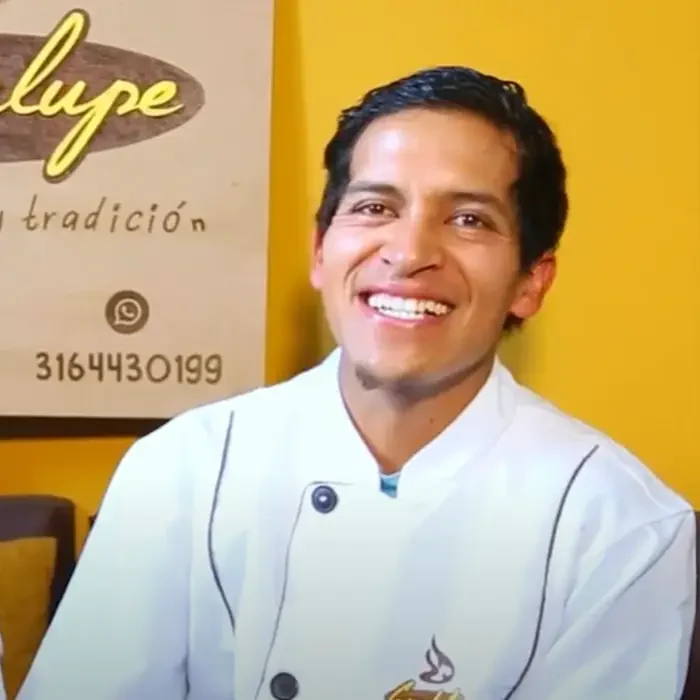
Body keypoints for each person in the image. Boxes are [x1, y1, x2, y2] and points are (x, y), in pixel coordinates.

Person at [18, 66, 696, 700]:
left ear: (530, 281)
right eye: (374, 207)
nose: (409, 252)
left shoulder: (622, 529)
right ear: (320, 250)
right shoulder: (182, 470)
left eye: (469, 220)